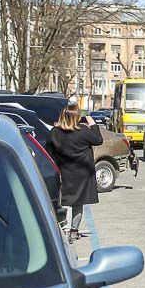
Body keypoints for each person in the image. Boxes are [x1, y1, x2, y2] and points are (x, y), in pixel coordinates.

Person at [46, 103, 103, 243]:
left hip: (64, 172)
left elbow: (49, 152)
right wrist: (93, 124)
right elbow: (98, 140)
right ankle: (73, 230)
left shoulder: (54, 132)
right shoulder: (83, 131)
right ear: (76, 117)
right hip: (83, 173)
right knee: (79, 203)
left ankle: (63, 229)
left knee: (63, 201)